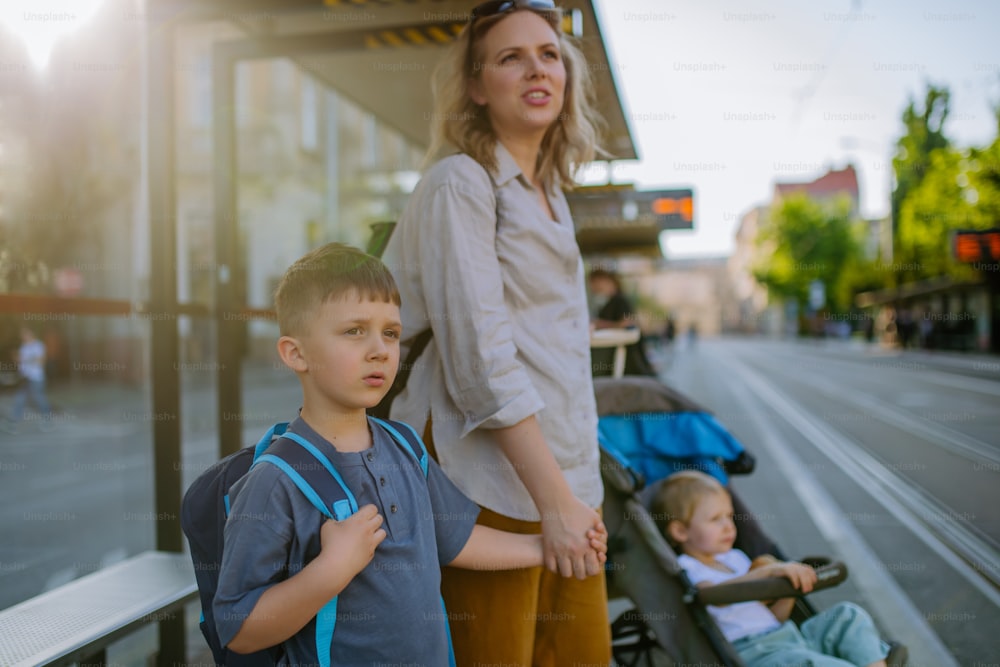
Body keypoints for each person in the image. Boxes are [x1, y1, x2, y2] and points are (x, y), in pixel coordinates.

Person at [212, 243, 607, 664]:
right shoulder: (277, 478)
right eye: (354, 331)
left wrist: (546, 547)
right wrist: (332, 569)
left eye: (391, 333)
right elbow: (238, 630)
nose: (379, 349)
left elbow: (455, 540)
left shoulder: (404, 445)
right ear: (296, 353)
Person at [381, 1, 613, 663]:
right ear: (477, 88)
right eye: (510, 57)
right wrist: (557, 503)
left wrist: (574, 496)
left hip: (566, 480)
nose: (535, 68)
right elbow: (480, 363)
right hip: (485, 483)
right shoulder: (461, 183)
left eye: (547, 54)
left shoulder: (550, 193)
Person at [651, 471, 906, 667]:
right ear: (680, 531)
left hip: (787, 636)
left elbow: (773, 619)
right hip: (756, 653)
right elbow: (712, 594)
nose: (728, 526)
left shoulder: (736, 558)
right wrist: (767, 573)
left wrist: (785, 590)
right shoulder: (688, 569)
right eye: (715, 519)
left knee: (847, 615)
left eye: (729, 516)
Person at [589, 267, 656, 376]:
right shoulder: (609, 301)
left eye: (593, 282)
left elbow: (626, 323)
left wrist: (598, 324)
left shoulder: (619, 301)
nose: (592, 287)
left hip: (628, 364)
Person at [5, 325, 53, 433]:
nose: (23, 336)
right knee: (19, 398)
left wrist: (25, 359)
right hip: (25, 378)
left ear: (31, 333)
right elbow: (22, 364)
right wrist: (16, 360)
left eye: (25, 333)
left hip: (36, 378)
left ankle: (48, 420)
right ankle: (14, 423)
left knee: (39, 399)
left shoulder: (38, 345)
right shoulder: (23, 347)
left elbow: (40, 361)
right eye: (22, 334)